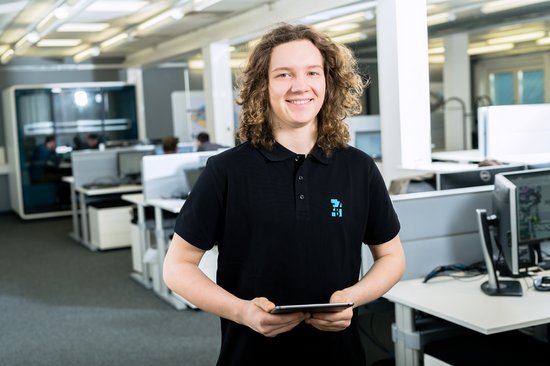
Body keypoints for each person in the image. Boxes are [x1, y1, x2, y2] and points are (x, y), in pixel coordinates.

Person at [163, 23, 405, 365]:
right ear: (263, 86)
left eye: (312, 72)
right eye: (283, 75)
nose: (300, 86)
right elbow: (177, 267)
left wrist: (352, 298)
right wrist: (243, 312)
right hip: (250, 355)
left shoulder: (359, 168)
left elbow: (392, 257)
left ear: (328, 81)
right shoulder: (226, 171)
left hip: (340, 356)